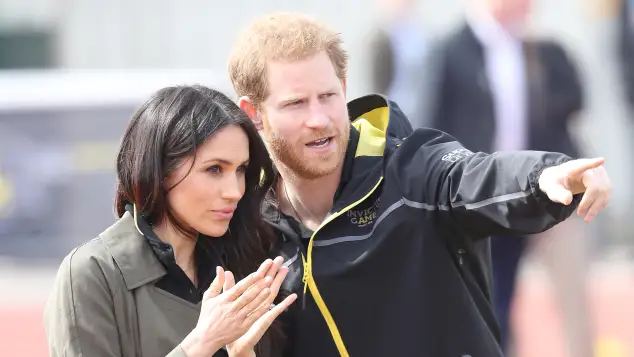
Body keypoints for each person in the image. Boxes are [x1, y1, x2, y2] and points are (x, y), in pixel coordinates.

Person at [227, 12, 612, 357]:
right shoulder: (249, 225)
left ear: (344, 88)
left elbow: (474, 177)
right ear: (253, 114)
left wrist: (545, 175)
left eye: (327, 96)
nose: (319, 119)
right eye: (296, 104)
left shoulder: (412, 171)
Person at [43, 85, 297, 357]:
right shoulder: (93, 273)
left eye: (241, 170)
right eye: (214, 169)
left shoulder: (242, 264)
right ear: (160, 170)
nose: (234, 191)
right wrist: (201, 344)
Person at [424, 0, 595, 354]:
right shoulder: (451, 51)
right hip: (487, 198)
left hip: (552, 192)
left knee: (574, 301)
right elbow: (431, 125)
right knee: (494, 303)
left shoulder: (543, 49)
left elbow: (574, 101)